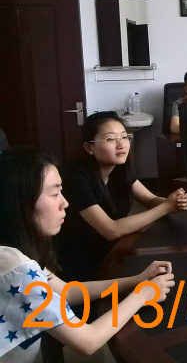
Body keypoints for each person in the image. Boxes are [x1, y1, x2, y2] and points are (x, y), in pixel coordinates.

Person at [0, 146, 175, 361]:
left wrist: (136, 281)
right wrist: (144, 295)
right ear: (20, 202)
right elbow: (88, 340)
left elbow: (67, 292)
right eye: (54, 194)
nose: (65, 203)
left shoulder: (14, 252)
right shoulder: (15, 269)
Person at [57, 112, 187, 283]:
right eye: (110, 139)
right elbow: (111, 230)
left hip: (113, 250)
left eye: (124, 137)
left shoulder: (119, 169)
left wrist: (174, 202)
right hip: (81, 265)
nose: (121, 145)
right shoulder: (75, 178)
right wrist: (166, 207)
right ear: (89, 148)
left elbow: (149, 199)